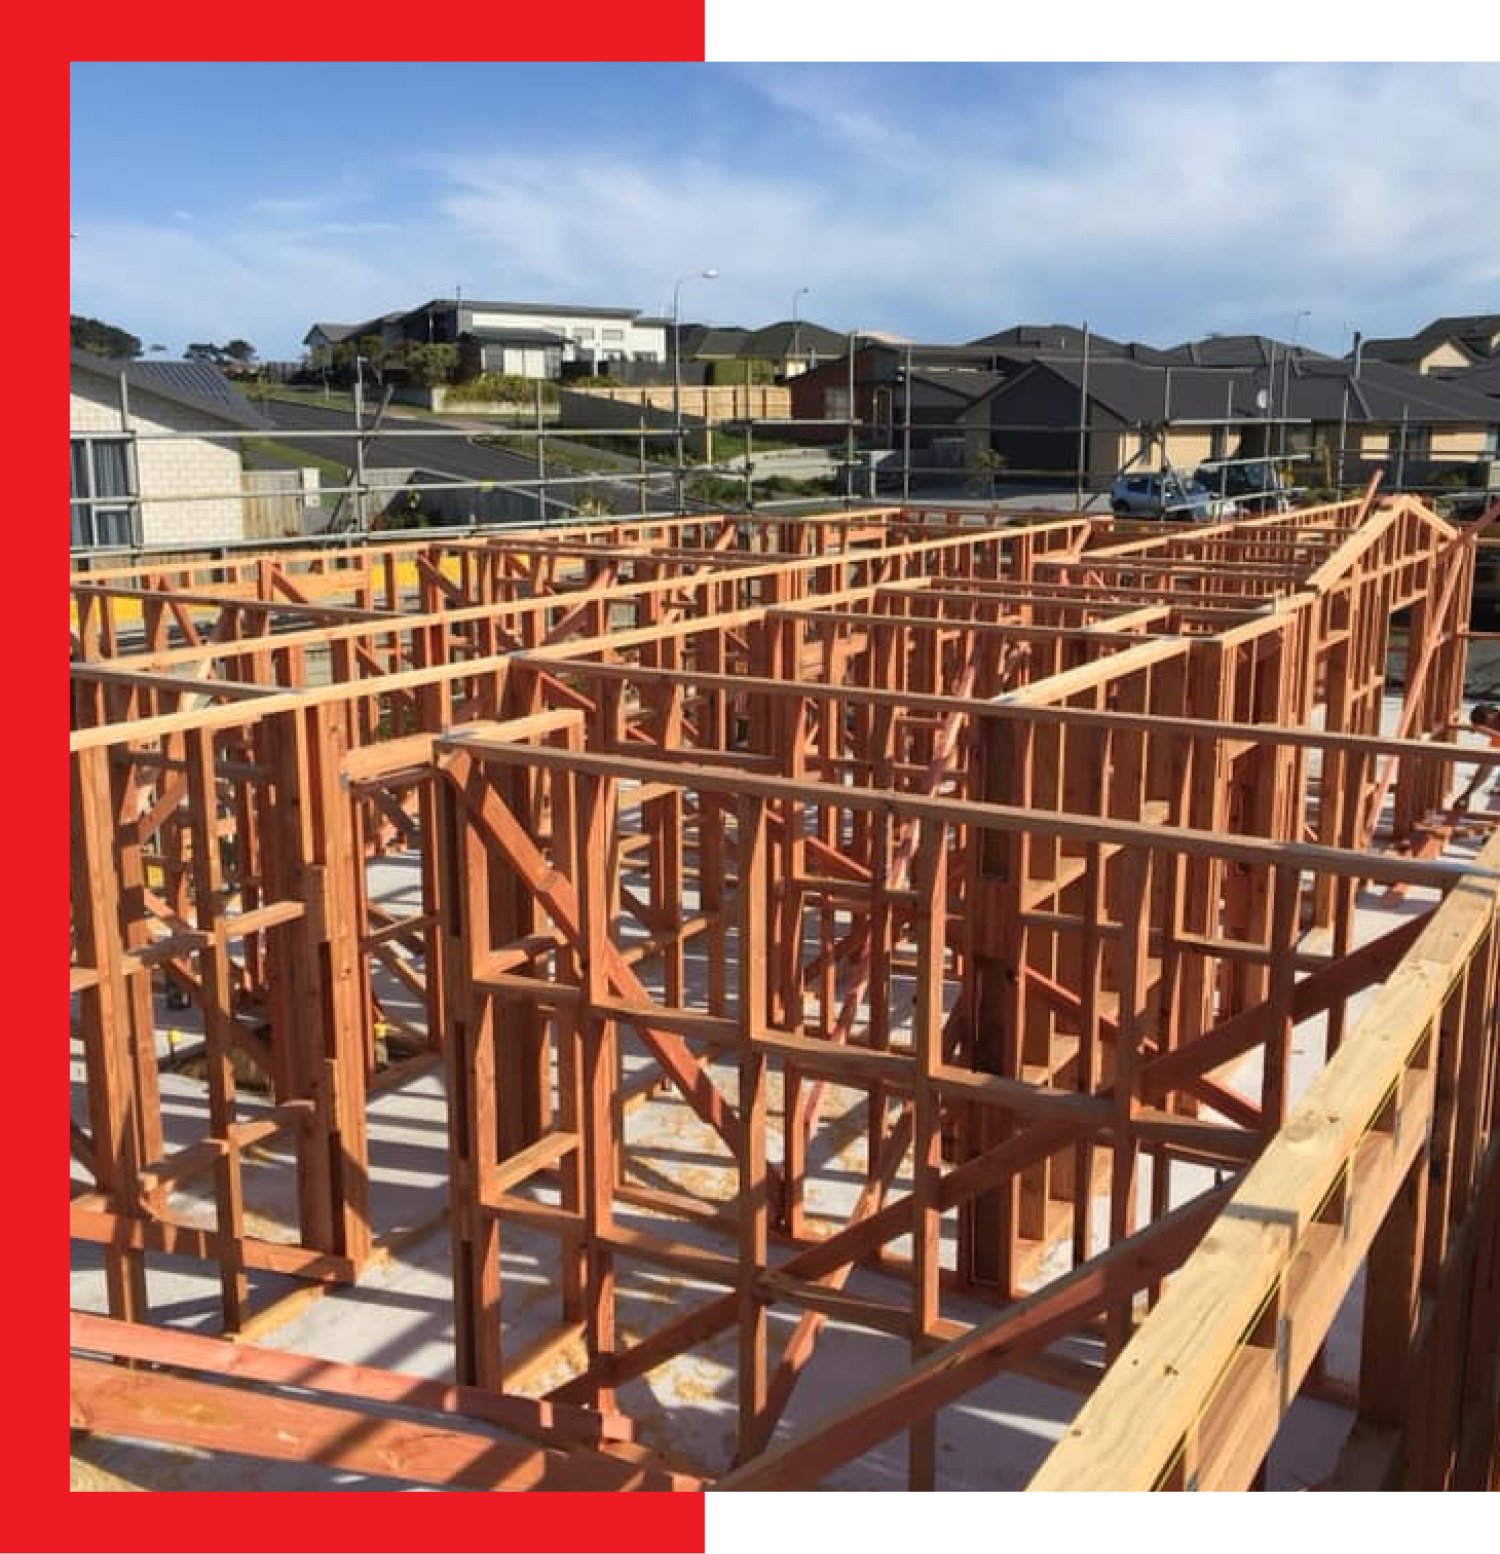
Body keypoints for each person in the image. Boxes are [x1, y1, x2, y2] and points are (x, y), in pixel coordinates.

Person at [1454, 703, 1500, 810]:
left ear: (1491, 716)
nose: (1491, 730)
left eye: (1490, 726)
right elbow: (1486, 768)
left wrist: (1481, 729)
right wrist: (1467, 793)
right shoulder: (1496, 735)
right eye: (1489, 728)